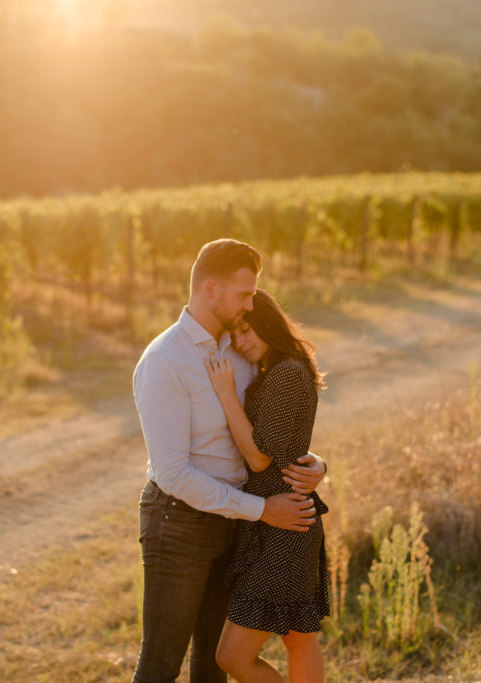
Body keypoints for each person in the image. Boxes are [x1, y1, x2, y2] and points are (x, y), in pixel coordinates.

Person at [132, 238, 327, 683]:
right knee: (161, 663)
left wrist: (314, 463)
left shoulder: (239, 353)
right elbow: (172, 473)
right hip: (180, 523)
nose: (250, 304)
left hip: (236, 524)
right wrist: (262, 510)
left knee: (211, 668)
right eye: (243, 294)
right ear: (211, 289)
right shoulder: (165, 361)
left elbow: (266, 433)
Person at [205, 290, 329, 683]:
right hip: (280, 517)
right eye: (235, 334)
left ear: (268, 323)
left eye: (246, 330)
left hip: (284, 528)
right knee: (298, 639)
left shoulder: (287, 373)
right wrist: (320, 463)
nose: (241, 342)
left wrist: (226, 395)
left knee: (232, 656)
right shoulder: (277, 371)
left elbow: (260, 457)